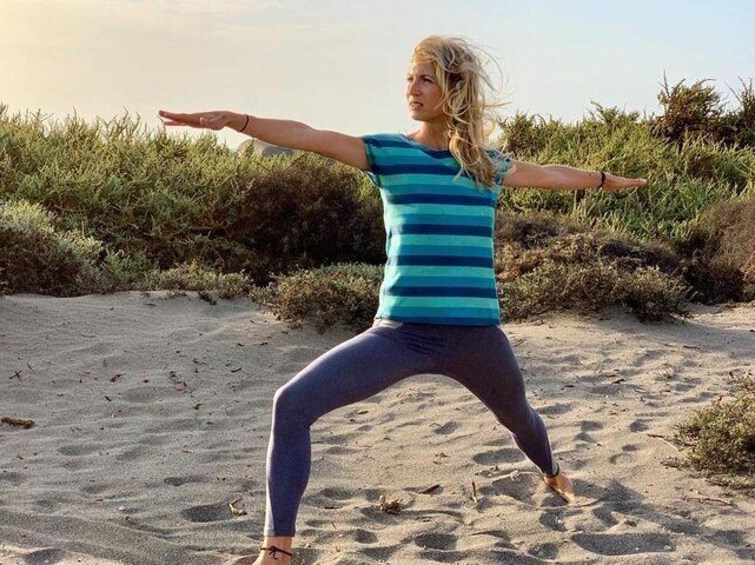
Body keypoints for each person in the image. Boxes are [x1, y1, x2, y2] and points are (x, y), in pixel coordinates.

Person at [159, 35, 646, 565]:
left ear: (454, 89)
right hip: (400, 335)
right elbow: (309, 136)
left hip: (476, 337)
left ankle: (552, 472)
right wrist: (237, 119)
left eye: (426, 79)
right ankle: (277, 550)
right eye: (409, 79)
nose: (412, 89)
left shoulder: (486, 167)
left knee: (519, 418)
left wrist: (602, 180)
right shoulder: (389, 153)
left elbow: (551, 175)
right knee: (291, 403)